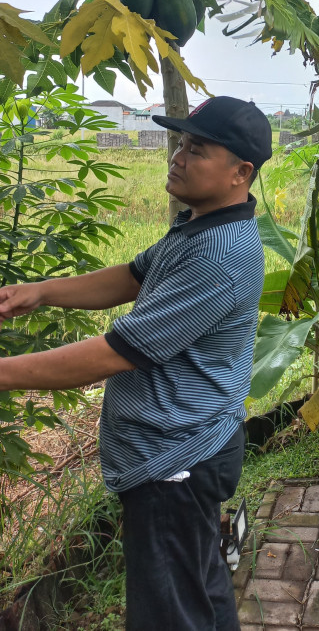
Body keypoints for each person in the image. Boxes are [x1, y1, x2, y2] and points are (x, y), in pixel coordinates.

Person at [0, 96, 273, 631]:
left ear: (242, 172)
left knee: (167, 613)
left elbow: (116, 353)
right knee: (199, 591)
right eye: (181, 142)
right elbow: (132, 275)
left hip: (177, 457)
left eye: (198, 148)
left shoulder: (222, 253)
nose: (179, 155)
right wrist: (42, 292)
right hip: (186, 445)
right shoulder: (197, 227)